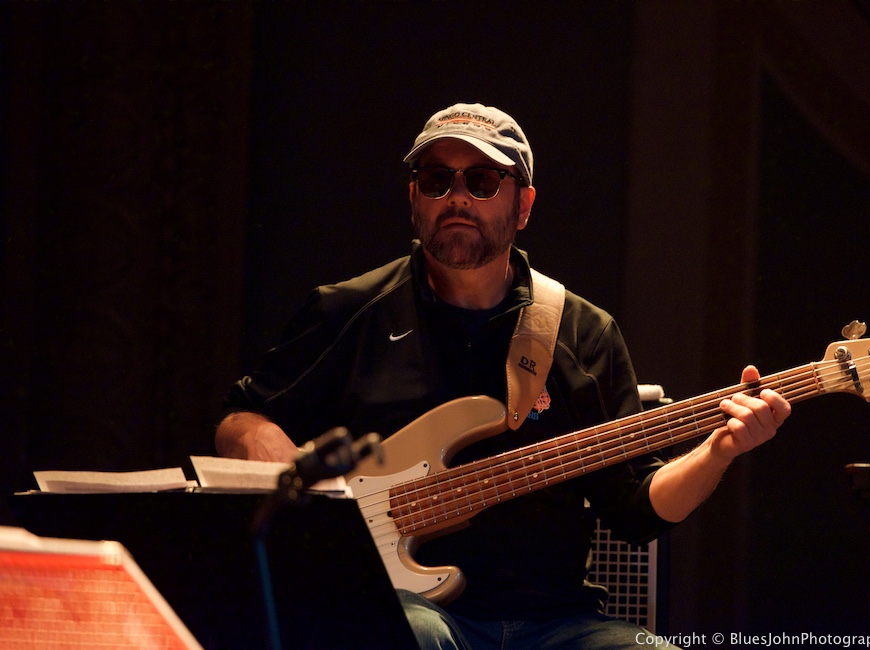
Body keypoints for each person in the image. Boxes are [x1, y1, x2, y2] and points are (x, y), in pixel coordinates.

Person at [216, 102, 791, 649]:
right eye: (437, 179)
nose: (457, 197)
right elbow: (241, 420)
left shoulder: (581, 333)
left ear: (523, 205)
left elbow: (635, 510)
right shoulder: (347, 312)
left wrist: (718, 450)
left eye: (483, 181)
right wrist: (301, 491)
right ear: (414, 198)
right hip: (411, 608)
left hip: (557, 623)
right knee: (411, 634)